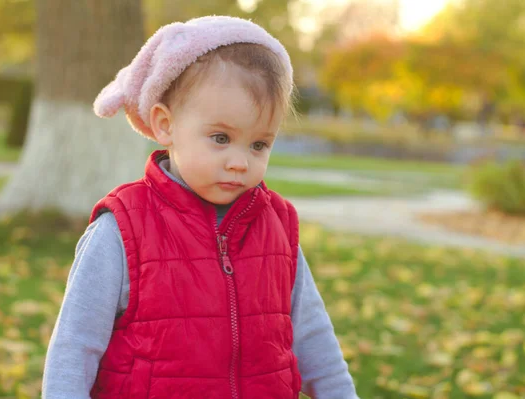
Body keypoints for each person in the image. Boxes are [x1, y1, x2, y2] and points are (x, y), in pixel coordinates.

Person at [42, 15, 358, 399]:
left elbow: (314, 341)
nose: (240, 162)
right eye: (221, 138)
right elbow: (75, 347)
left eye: (259, 144)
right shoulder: (122, 229)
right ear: (165, 124)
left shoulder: (276, 226)